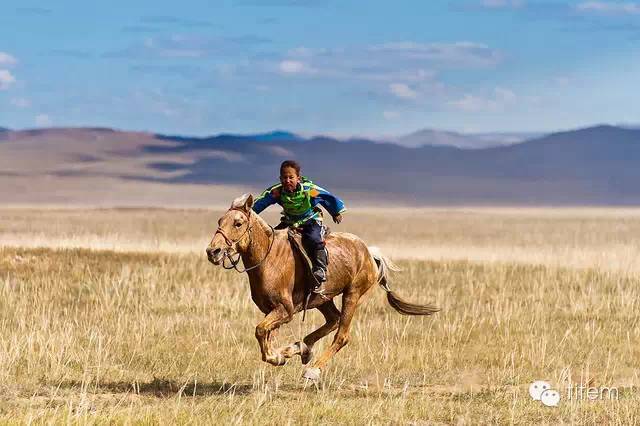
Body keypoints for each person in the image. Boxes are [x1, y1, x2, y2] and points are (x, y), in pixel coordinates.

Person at [252, 160, 346, 294]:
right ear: (280, 178)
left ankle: (320, 269)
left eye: (291, 177)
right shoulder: (277, 192)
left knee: (313, 239)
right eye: (284, 177)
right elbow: (262, 201)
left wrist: (335, 212)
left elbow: (325, 197)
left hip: (310, 220)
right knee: (273, 240)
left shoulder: (309, 190)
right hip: (290, 221)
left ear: (298, 178)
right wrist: (249, 213)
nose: (288, 180)